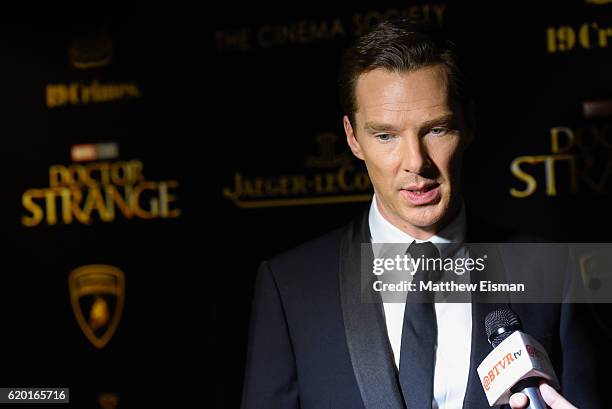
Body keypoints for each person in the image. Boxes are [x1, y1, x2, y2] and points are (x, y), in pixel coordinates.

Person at [240, 19, 603, 409]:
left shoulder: (548, 272)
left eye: (436, 130)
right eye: (385, 135)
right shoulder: (291, 286)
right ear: (352, 138)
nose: (416, 163)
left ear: (468, 124)